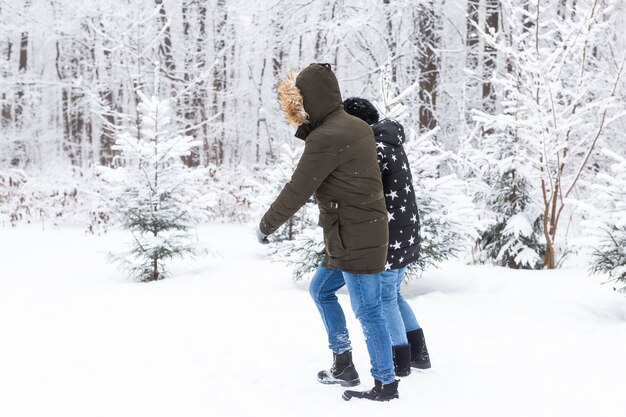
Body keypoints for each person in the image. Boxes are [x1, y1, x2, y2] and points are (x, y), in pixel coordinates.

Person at [256, 64, 399, 402]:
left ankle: (385, 384)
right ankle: (343, 364)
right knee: (320, 289)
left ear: (312, 99)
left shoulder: (327, 137)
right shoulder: (355, 125)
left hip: (354, 237)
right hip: (352, 233)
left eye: (301, 103)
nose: (299, 112)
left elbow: (297, 190)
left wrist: (266, 226)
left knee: (368, 311)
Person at [309, 97, 431, 391]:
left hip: (383, 236)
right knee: (394, 296)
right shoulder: (389, 142)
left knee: (385, 299)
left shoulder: (372, 149)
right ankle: (418, 354)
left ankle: (399, 361)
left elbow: (349, 185)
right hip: (403, 233)